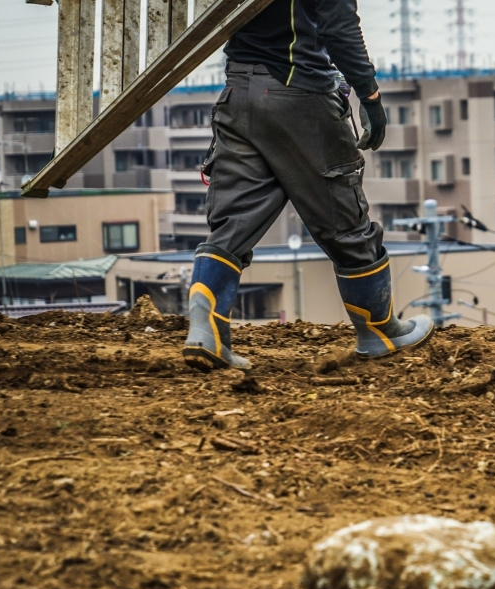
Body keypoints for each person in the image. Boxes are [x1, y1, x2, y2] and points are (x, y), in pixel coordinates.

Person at [182, 0, 433, 371]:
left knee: (234, 221)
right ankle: (380, 331)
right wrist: (370, 95)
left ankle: (206, 331)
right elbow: (338, 25)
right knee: (345, 220)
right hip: (300, 96)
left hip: (239, 93)